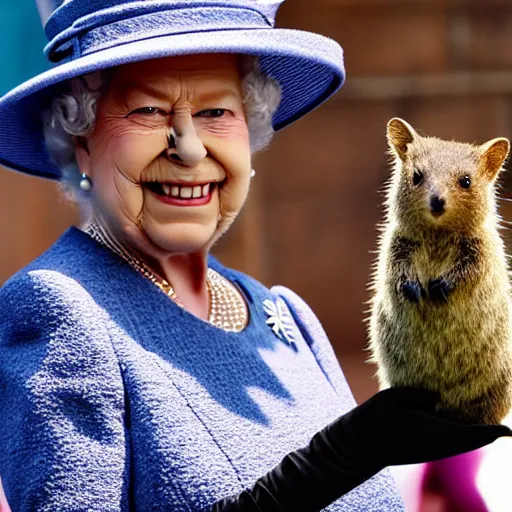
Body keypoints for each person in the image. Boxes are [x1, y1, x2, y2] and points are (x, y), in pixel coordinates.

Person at [0, 1, 510, 511]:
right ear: (79, 136)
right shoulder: (56, 311)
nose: (191, 149)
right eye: (149, 111)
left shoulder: (288, 319)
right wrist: (339, 459)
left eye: (216, 111)